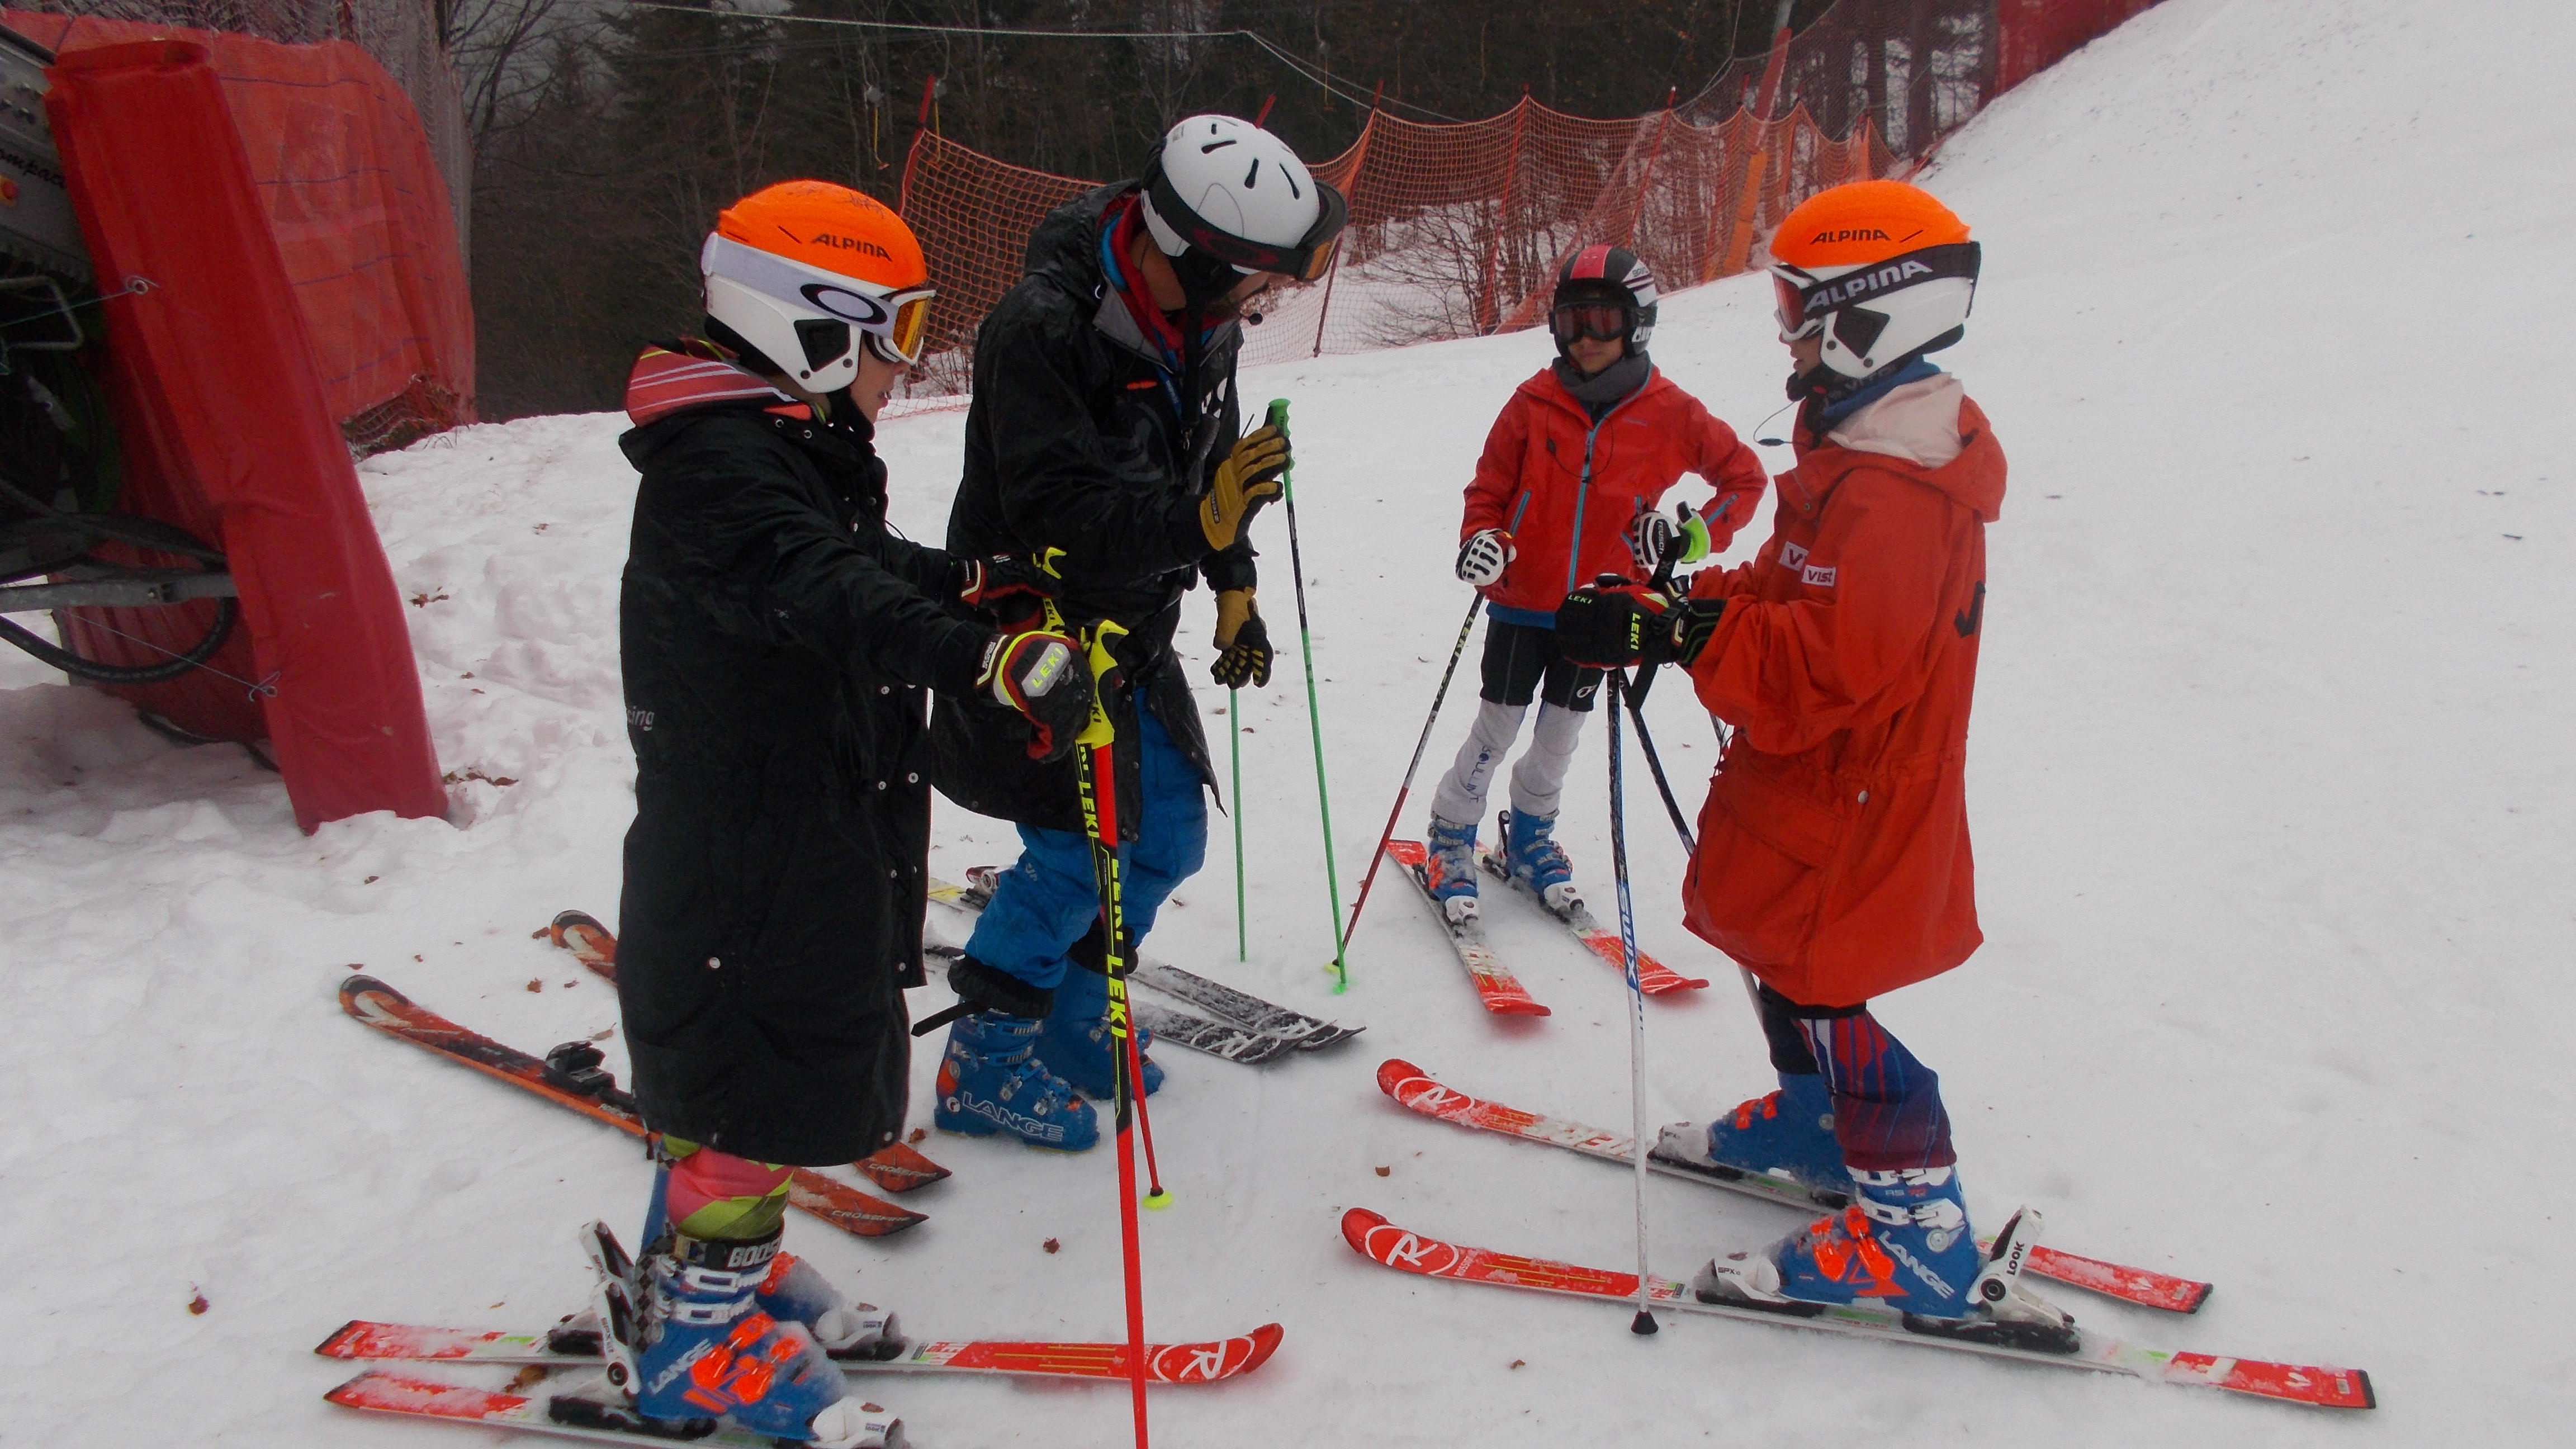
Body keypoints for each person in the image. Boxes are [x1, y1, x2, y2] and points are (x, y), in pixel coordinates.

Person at [609, 179, 1090, 1444]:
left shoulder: (776, 444)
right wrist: (984, 659)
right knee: (746, 1082)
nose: (903, 362)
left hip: (795, 827)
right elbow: (825, 589)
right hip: (743, 859)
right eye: (896, 331)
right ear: (812, 327)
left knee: (762, 1076)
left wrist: (971, 582)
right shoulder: (717, 472)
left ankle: (723, 1271)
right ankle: (691, 1342)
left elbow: (860, 561)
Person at [1553, 181, 2009, 1329]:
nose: (1785, 333)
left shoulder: (1899, 494)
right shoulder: (1857, 450)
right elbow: (1783, 585)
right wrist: (1673, 605)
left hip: (1855, 794)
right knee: (1782, 956)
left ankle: (1918, 1233)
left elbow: (1829, 666)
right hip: (1810, 784)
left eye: (1800, 309)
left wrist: (1679, 636)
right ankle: (1816, 1122)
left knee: (1825, 980)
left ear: (1872, 314)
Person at [928, 114, 1347, 1150]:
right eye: (1253, 285)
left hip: (1135, 630)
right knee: (1077, 855)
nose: (1259, 306)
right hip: (1037, 643)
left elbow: (1211, 466)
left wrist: (1234, 579)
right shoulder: (1041, 331)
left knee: (1163, 838)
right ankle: (984, 1060)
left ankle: (1074, 1015)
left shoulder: (1203, 323)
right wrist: (1199, 522)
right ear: (1198, 260)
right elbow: (1059, 518)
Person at [1424, 245, 1767, 922]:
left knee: (1561, 733)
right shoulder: (1532, 403)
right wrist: (1484, 539)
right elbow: (1489, 489)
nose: (1584, 337)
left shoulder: (1671, 411)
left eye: (1603, 321)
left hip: (1603, 610)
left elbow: (1744, 479)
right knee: (1497, 726)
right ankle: (1451, 832)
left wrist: (1691, 537)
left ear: (1638, 324)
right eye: (1571, 321)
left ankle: (1530, 834)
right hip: (1522, 601)